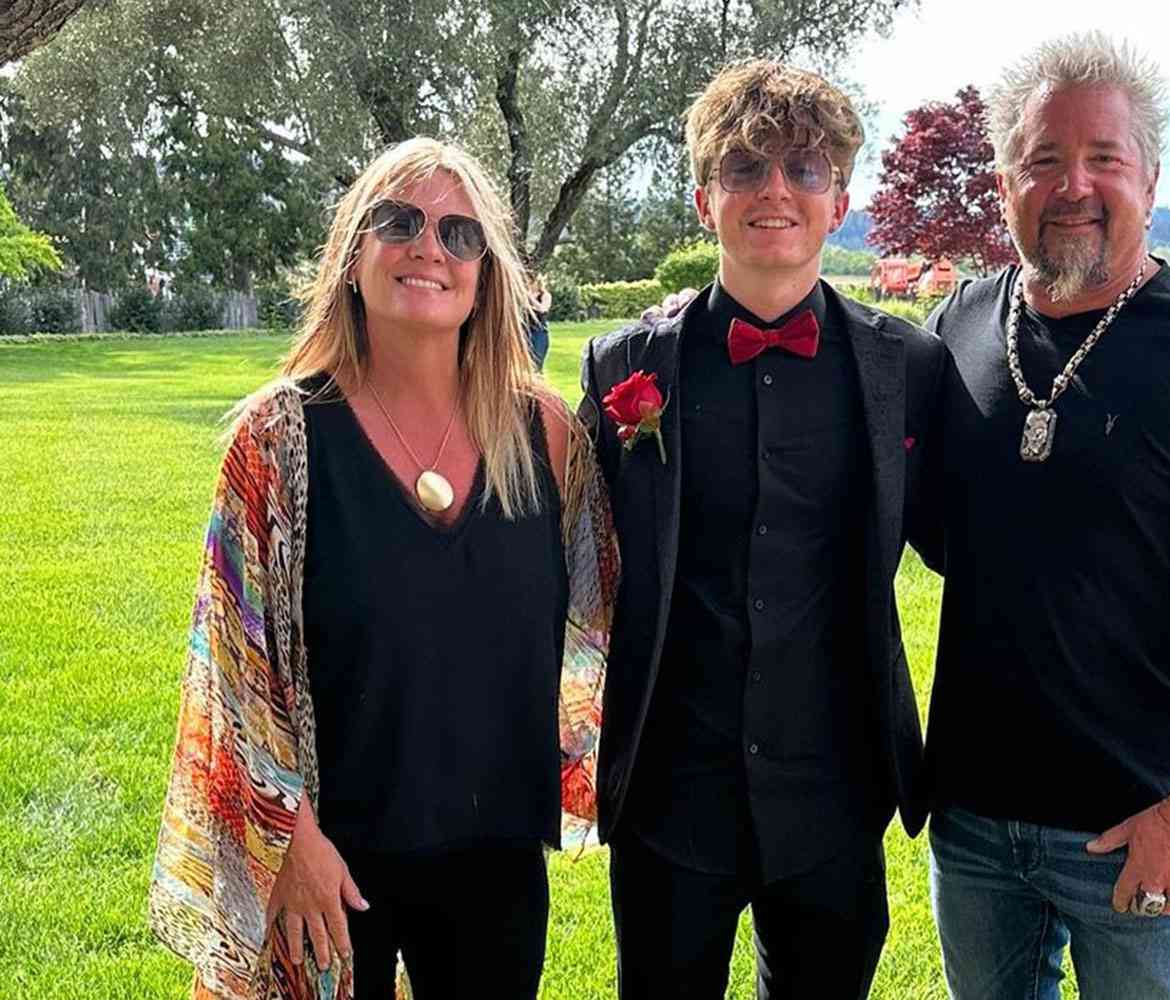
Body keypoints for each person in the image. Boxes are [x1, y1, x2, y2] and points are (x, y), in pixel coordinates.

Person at [148, 137, 617, 1000]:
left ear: (488, 275)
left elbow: (607, 617)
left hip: (497, 859)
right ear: (351, 256)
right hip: (332, 865)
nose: (428, 247)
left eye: (459, 233)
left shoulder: (547, 437)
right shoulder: (279, 440)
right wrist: (288, 838)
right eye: (398, 222)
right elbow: (232, 667)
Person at [914, 33, 1170, 1000]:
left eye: (1104, 157)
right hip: (972, 820)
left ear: (1150, 177)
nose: (1074, 185)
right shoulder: (955, 330)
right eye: (1043, 159)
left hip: (1139, 819)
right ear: (1005, 183)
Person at [578, 59, 946, 999]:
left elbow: (974, 544)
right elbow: (574, 559)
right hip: (670, 796)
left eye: (803, 168)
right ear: (705, 200)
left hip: (835, 796)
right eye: (744, 168)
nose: (775, 189)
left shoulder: (908, 367)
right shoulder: (622, 366)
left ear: (840, 201)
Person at [526, 272, 553, 370]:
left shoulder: (545, 295)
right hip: (525, 332)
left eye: (530, 281)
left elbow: (543, 309)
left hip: (539, 333)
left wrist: (530, 298)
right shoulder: (524, 296)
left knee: (537, 364)